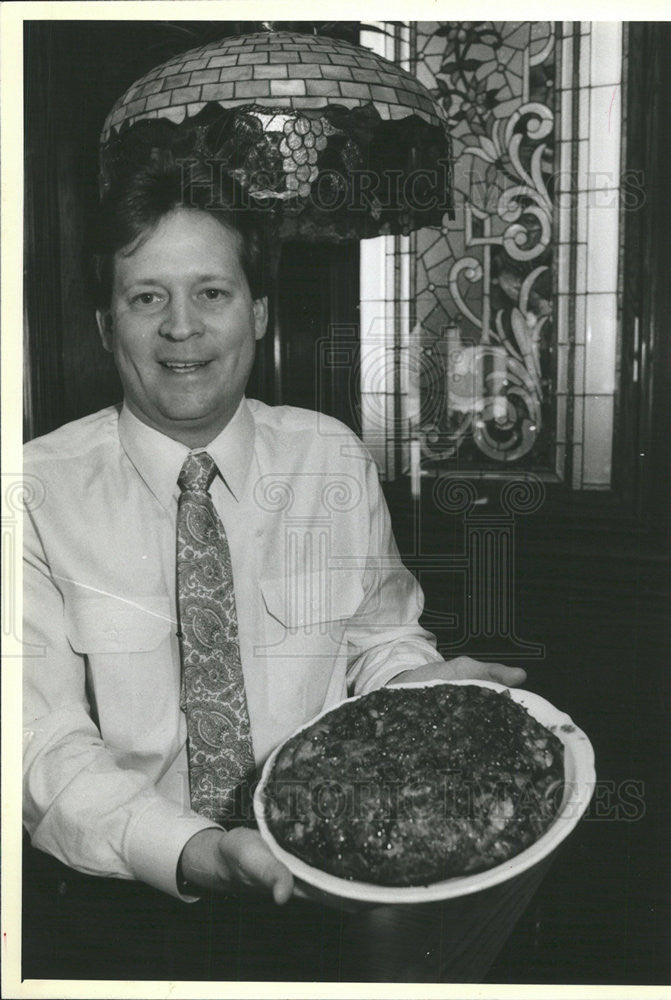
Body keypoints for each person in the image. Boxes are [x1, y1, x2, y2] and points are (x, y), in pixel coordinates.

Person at [21, 160, 528, 981]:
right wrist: (196, 852)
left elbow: (379, 635)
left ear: (257, 313)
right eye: (146, 297)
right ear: (106, 325)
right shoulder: (29, 493)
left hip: (333, 890)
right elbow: (37, 741)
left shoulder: (329, 454)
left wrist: (423, 698)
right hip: (112, 912)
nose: (181, 329)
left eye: (211, 293)